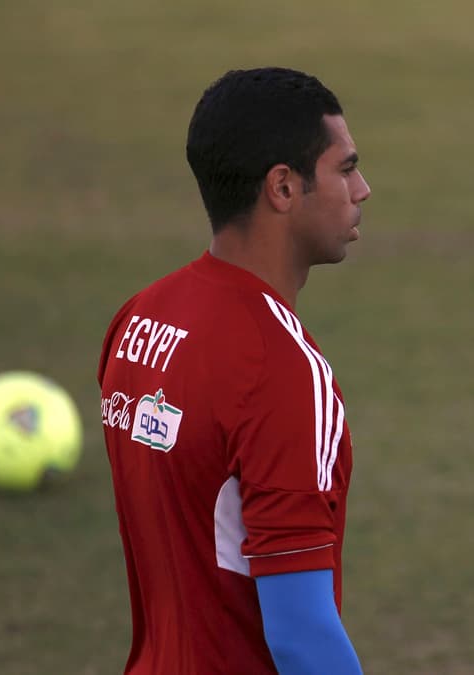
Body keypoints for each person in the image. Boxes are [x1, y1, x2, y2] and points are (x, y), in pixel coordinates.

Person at [97, 67, 371, 674]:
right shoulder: (282, 369)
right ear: (282, 187)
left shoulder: (138, 321)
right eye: (346, 168)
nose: (363, 190)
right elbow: (301, 633)